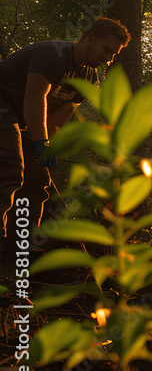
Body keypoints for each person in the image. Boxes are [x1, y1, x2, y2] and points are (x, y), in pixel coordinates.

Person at [0, 17, 129, 234]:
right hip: (3, 106)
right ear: (90, 38)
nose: (107, 59)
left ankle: (25, 247)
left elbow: (64, 110)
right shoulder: (53, 55)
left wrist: (46, 145)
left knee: (38, 179)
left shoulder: (88, 76)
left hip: (19, 119)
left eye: (112, 55)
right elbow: (34, 96)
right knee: (10, 167)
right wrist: (40, 140)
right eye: (106, 50)